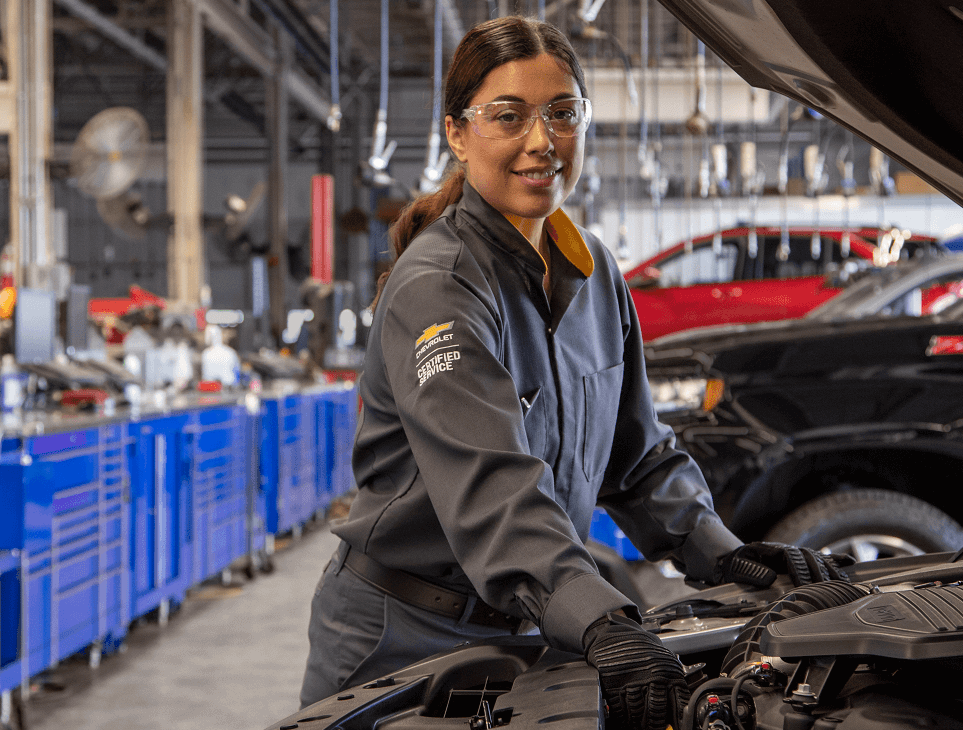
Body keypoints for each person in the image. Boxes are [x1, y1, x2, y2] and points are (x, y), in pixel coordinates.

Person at [300, 16, 846, 730]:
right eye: (509, 116)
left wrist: (722, 552)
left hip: (527, 625)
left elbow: (637, 453)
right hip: (402, 637)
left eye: (563, 114)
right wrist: (597, 617)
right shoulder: (440, 287)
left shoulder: (592, 271)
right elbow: (493, 488)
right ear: (458, 135)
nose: (541, 141)